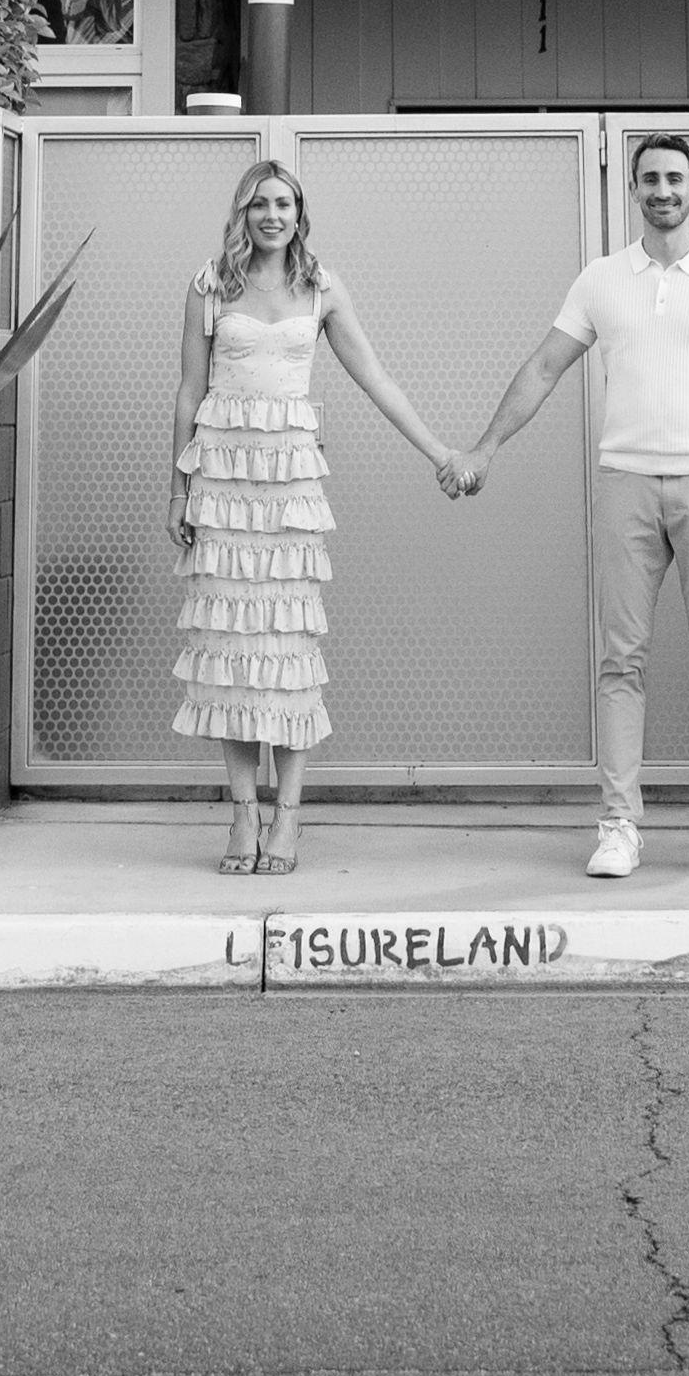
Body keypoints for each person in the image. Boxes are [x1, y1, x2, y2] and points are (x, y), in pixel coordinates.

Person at [453, 128, 689, 879]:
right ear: (633, 190)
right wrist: (485, 447)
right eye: (650, 179)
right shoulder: (601, 279)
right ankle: (619, 824)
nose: (662, 190)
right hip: (624, 482)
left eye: (674, 178)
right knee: (620, 659)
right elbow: (544, 367)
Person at [168, 154, 475, 876]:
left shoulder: (321, 287)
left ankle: (288, 815)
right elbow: (187, 391)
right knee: (231, 653)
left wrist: (440, 450)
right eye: (260, 203)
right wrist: (177, 490)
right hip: (222, 484)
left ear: (299, 214)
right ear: (242, 213)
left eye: (284, 203)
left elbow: (375, 377)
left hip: (290, 489)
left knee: (288, 654)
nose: (272, 215)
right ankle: (242, 812)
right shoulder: (209, 285)